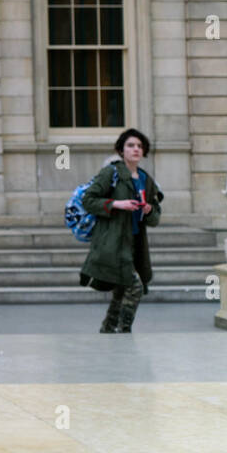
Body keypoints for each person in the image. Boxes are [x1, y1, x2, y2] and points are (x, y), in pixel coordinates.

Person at [80, 128, 163, 333]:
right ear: (121, 150)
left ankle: (108, 328)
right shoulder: (112, 172)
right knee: (135, 287)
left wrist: (149, 209)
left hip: (135, 242)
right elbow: (88, 200)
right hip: (114, 241)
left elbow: (155, 217)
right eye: (130, 145)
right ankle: (124, 329)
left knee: (121, 289)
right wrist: (117, 204)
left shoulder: (145, 179)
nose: (135, 149)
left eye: (139, 146)